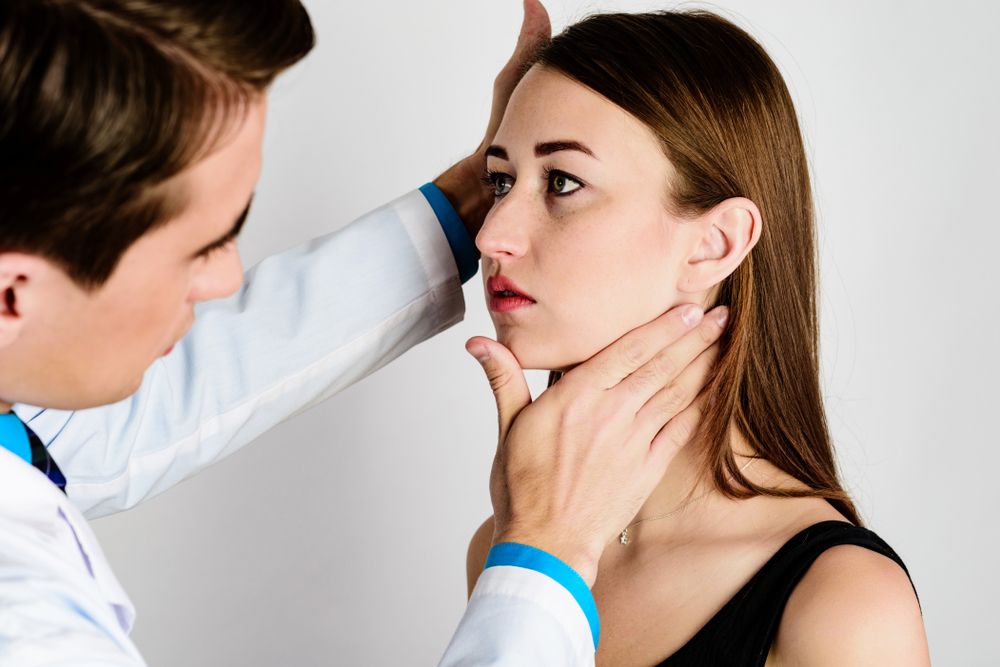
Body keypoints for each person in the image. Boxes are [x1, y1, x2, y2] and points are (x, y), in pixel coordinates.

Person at [0, 1, 721, 665]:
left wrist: (475, 194)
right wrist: (542, 563)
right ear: (11, 294)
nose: (225, 280)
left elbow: (109, 415)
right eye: (201, 246)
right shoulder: (27, 625)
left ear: (718, 243)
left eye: (559, 182)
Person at [463, 9, 932, 666]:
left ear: (717, 244)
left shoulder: (845, 605)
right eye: (501, 181)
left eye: (563, 182)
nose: (488, 236)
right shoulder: (507, 544)